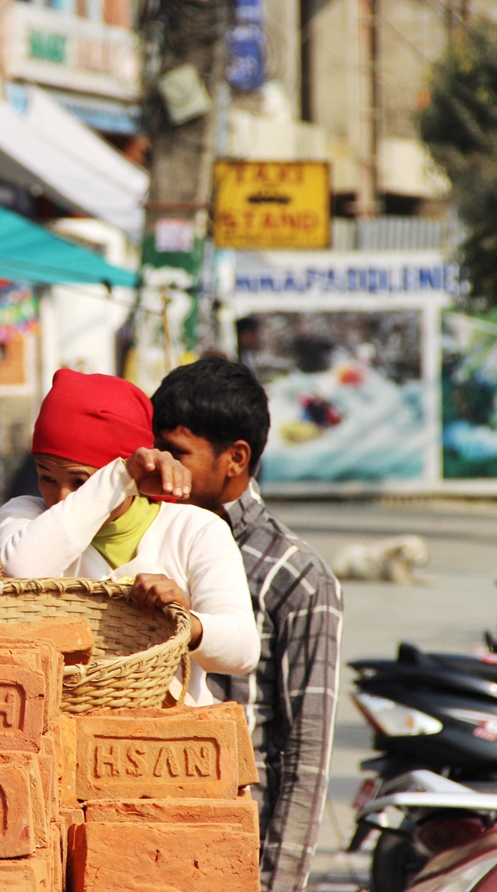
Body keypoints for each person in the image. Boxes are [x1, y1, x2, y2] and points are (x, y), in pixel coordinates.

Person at [151, 357, 342, 892]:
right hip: (145, 828)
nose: (160, 465)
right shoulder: (144, 532)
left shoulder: (297, 576)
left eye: (178, 453)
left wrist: (275, 883)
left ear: (236, 458)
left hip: (233, 845)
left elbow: (305, 755)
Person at [0, 368, 259, 705]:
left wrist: (183, 621)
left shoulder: (194, 530)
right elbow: (21, 567)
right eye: (46, 477)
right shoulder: (26, 516)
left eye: (80, 481)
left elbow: (242, 651)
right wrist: (116, 479)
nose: (60, 497)